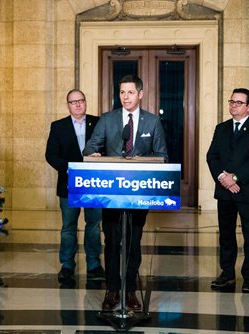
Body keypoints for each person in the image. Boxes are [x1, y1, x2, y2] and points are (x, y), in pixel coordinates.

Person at [83, 75, 168, 311]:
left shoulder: (152, 122)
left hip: (139, 194)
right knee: (111, 242)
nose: (125, 97)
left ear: (140, 94)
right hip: (111, 193)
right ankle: (111, 291)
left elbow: (163, 155)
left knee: (132, 243)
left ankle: (130, 290)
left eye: (130, 92)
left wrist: (147, 161)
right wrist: (95, 154)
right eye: (122, 92)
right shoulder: (108, 120)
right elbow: (90, 147)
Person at [206, 88, 249, 293]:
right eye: (231, 101)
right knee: (226, 235)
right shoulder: (221, 128)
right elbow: (211, 156)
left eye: (238, 102)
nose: (233, 105)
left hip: (248, 191)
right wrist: (222, 178)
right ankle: (227, 274)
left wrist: (235, 177)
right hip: (225, 191)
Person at [45, 89, 105, 284]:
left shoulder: (98, 123)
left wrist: (100, 158)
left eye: (81, 101)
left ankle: (94, 263)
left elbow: (108, 148)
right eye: (73, 102)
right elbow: (51, 155)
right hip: (69, 183)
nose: (78, 104)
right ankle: (67, 265)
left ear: (86, 102)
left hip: (94, 184)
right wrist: (70, 169)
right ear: (68, 105)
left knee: (94, 226)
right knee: (68, 227)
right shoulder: (58, 126)